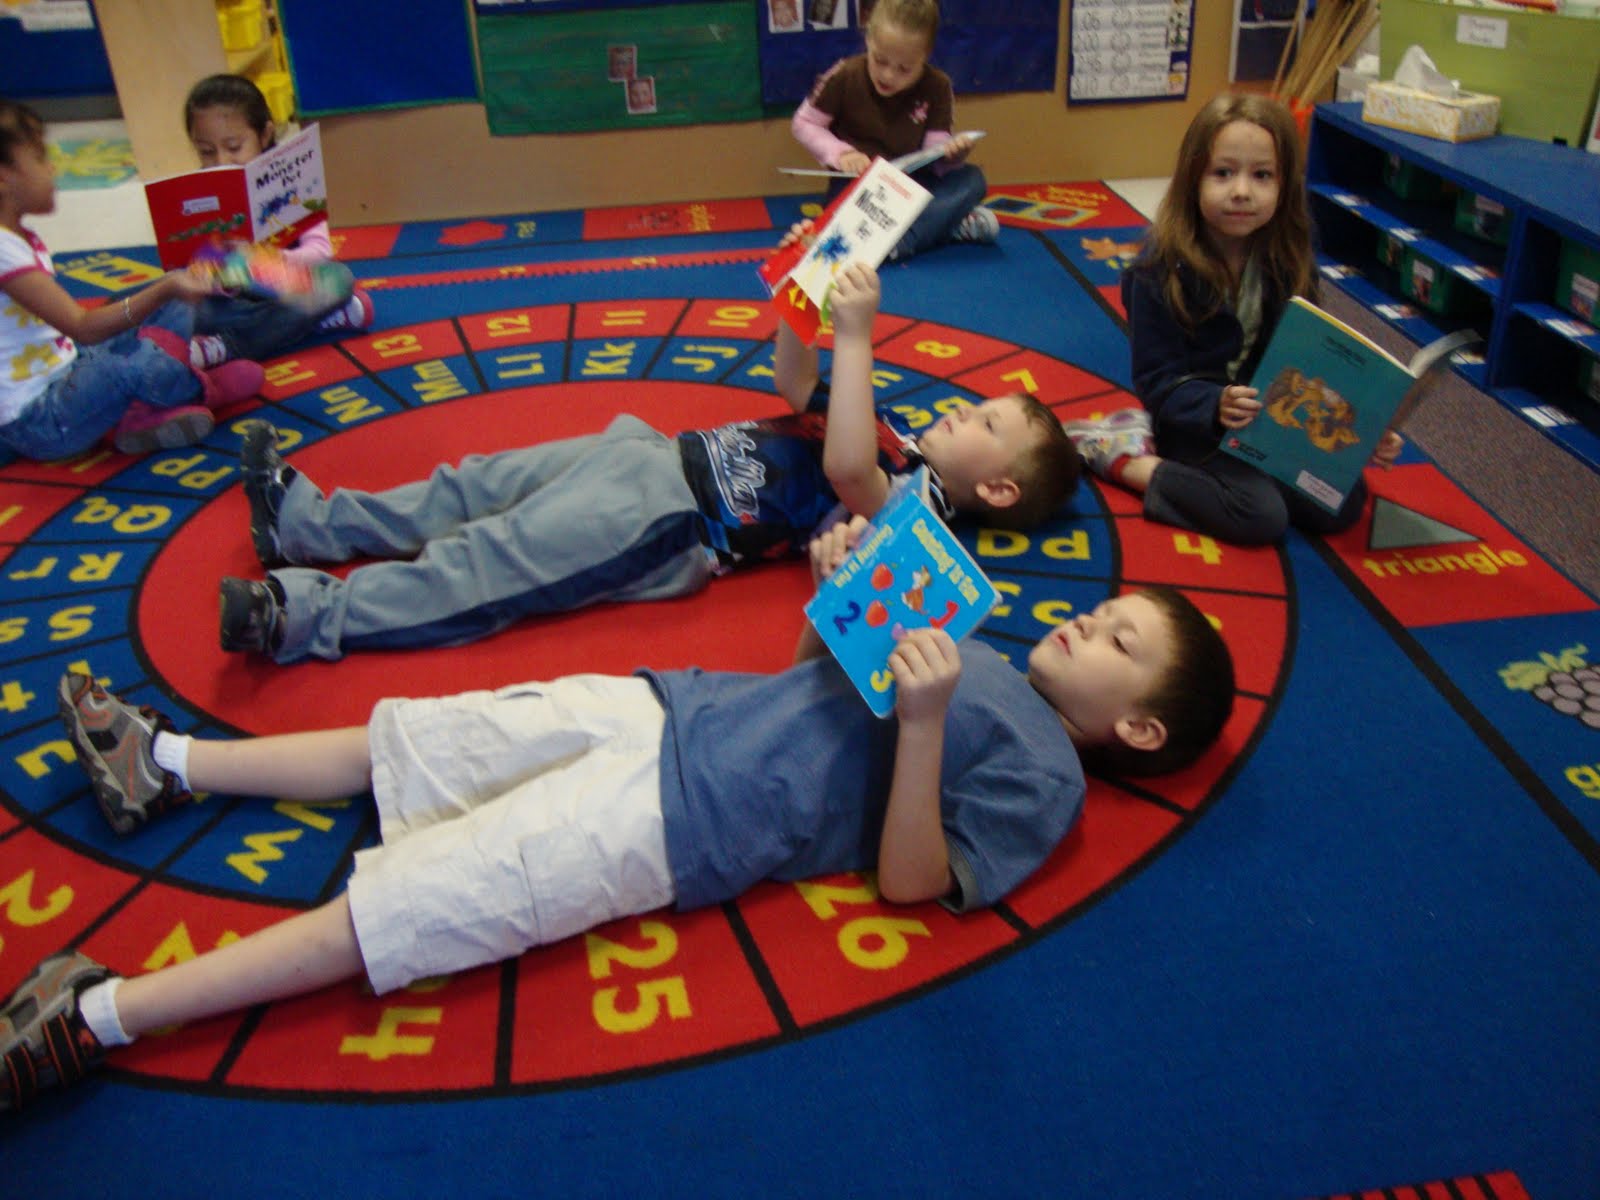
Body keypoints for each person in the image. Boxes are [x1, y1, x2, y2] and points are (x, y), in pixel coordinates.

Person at [0, 517, 1236, 1111]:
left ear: (1133, 727)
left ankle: (95, 1012)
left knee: (410, 906)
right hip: (661, 707)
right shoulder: (991, 653)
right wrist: (834, 594)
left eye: (1118, 639)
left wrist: (923, 724)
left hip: (679, 823)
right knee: (410, 744)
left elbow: (916, 881)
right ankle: (163, 761)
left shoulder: (1051, 780)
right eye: (1105, 609)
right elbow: (824, 676)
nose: (1088, 619)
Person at [215, 259, 1081, 663]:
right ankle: (308, 524)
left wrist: (857, 337)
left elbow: (853, 476)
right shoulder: (886, 424)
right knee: (471, 484)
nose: (964, 408)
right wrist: (806, 301)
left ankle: (303, 617)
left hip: (669, 524)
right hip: (651, 457)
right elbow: (794, 382)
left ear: (995, 485)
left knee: (489, 565)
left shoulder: (923, 513)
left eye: (986, 421)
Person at [1063, 94, 1403, 546]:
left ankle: (1265, 470)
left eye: (1262, 175)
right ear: (1192, 180)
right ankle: (1124, 458)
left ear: (1284, 187)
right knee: (1259, 515)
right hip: (1193, 424)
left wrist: (1360, 430)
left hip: (1270, 422)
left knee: (1341, 503)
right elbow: (1158, 382)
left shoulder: (1288, 263)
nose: (1242, 191)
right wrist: (1215, 405)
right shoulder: (1157, 273)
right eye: (1223, 173)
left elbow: (1310, 362)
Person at [0, 98, 264, 460]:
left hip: (69, 369)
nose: (53, 168)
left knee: (167, 303)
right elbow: (82, 326)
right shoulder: (2, 248)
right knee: (130, 354)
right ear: (4, 177)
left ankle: (149, 401)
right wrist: (167, 287)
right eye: (41, 158)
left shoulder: (17, 237)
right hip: (43, 421)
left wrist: (170, 288)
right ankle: (202, 388)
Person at [182, 75, 373, 370]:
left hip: (290, 281)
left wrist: (261, 262)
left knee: (339, 279)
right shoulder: (201, 190)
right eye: (206, 151)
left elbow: (320, 252)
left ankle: (227, 346)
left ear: (265, 134)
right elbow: (195, 265)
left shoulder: (292, 177)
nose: (221, 161)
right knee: (188, 311)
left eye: (234, 147)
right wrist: (212, 277)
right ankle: (317, 320)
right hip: (233, 297)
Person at [791, 0, 996, 261]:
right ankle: (933, 230)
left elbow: (934, 148)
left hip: (911, 190)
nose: (888, 76)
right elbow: (804, 124)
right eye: (880, 61)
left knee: (972, 179)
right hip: (858, 190)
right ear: (868, 39)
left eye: (904, 69)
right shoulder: (845, 74)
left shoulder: (937, 85)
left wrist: (951, 154)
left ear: (926, 55)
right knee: (841, 212)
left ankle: (896, 240)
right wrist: (842, 154)